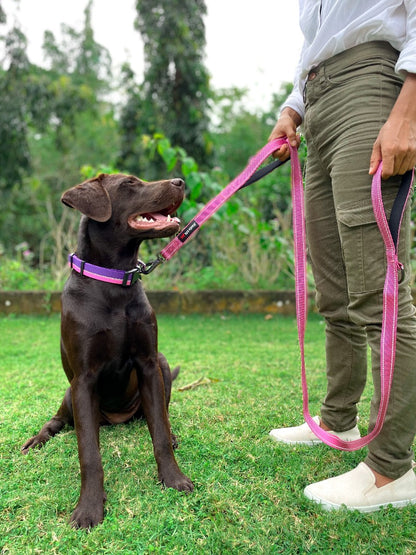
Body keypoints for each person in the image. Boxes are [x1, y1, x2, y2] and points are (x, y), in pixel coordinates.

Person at [268, 0, 416, 512]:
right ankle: (337, 418)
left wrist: (409, 107)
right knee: (334, 290)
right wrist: (294, 108)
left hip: (373, 87)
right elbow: (317, 39)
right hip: (320, 102)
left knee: (380, 296)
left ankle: (390, 471)